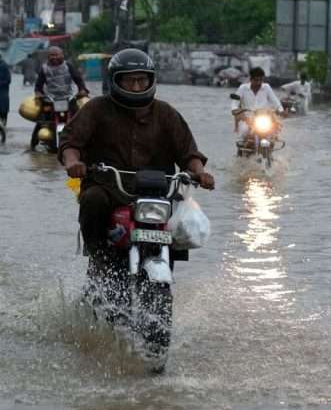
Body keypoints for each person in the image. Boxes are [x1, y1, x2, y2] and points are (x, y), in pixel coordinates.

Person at [59, 49, 215, 262]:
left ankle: (167, 260)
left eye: (141, 81)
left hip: (157, 192)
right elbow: (70, 142)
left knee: (178, 220)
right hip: (109, 188)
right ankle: (98, 257)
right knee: (92, 199)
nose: (136, 87)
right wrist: (73, 162)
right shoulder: (96, 109)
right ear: (115, 81)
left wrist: (200, 173)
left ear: (151, 81)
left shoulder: (166, 113)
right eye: (129, 81)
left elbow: (189, 152)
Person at [232, 67, 283, 143]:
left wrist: (281, 111)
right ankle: (242, 150)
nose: (259, 83)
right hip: (248, 119)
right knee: (244, 131)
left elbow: (276, 102)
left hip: (264, 118)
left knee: (274, 132)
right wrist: (235, 110)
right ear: (251, 79)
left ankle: (270, 149)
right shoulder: (242, 88)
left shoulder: (267, 87)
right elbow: (234, 105)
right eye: (256, 80)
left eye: (261, 80)